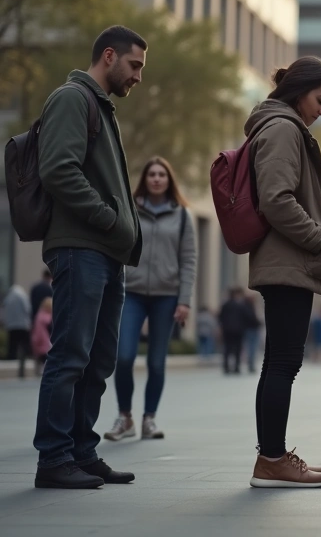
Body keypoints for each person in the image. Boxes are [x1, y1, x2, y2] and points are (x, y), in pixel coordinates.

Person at [33, 26, 146, 489]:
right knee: (71, 357)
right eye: (134, 65)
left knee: (99, 360)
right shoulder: (72, 98)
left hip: (105, 252)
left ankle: (82, 451)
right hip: (81, 248)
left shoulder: (101, 106)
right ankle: (54, 458)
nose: (138, 76)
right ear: (109, 55)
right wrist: (108, 219)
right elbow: (58, 169)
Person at [243, 56, 321, 488]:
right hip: (288, 262)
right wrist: (319, 238)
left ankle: (273, 456)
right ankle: (272, 460)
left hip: (286, 262)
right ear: (299, 92)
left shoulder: (281, 126)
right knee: (283, 363)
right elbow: (276, 199)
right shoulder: (283, 128)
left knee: (279, 362)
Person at [105, 157, 197, 443]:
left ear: (169, 180)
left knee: (157, 362)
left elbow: (188, 260)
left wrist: (184, 300)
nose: (156, 178)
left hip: (166, 297)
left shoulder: (182, 216)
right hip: (131, 293)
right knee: (124, 357)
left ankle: (149, 419)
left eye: (162, 174)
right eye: (152, 174)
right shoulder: (130, 210)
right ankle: (125, 417)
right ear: (144, 179)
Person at [219, 287, 256, 374]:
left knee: (227, 348)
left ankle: (226, 366)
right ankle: (236, 367)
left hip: (227, 330)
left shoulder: (225, 305)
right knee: (237, 348)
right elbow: (248, 316)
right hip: (239, 330)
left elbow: (220, 317)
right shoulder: (241, 305)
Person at [4, 284, 32, 379]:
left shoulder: (8, 298)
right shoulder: (22, 296)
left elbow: (5, 311)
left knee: (12, 344)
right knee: (24, 344)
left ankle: (12, 358)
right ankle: (25, 357)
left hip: (11, 325)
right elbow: (27, 308)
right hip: (23, 324)